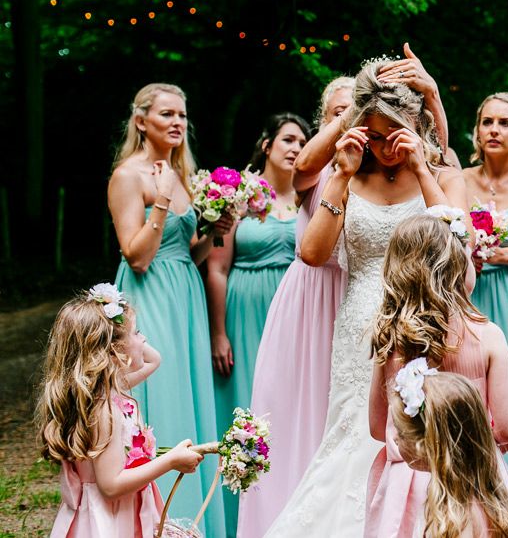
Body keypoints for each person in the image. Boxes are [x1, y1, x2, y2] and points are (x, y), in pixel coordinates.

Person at [265, 56, 467, 537]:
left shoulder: (445, 174)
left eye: (393, 134)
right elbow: (312, 253)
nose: (384, 147)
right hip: (359, 324)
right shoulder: (350, 175)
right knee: (353, 435)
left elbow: (457, 249)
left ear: (414, 125)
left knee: (424, 438)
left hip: (427, 319)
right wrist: (341, 172)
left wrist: (422, 169)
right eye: (374, 136)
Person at [109, 83, 231, 536]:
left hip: (185, 293)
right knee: (162, 392)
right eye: (166, 114)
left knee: (189, 389)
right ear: (141, 121)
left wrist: (214, 232)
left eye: (182, 114)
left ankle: (193, 521)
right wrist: (160, 200)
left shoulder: (182, 174)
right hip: (150, 294)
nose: (177, 122)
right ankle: (156, 521)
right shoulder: (128, 176)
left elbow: (186, 252)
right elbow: (136, 255)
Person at [366, 213, 508, 538]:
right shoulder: (487, 336)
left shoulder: (389, 338)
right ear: (459, 269)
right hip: (473, 477)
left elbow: (377, 428)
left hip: (409, 486)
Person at [236, 78, 354, 538]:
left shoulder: (374, 163)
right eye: (337, 111)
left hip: (355, 295)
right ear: (324, 120)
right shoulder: (313, 170)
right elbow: (304, 167)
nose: (350, 117)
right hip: (308, 300)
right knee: (291, 412)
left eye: (357, 108)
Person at [207, 112, 310, 537]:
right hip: (246, 309)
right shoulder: (241, 194)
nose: (295, 148)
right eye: (287, 139)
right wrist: (218, 332)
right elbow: (217, 268)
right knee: (249, 407)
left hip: (298, 314)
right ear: (266, 145)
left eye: (302, 142)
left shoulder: (309, 196)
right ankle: (240, 517)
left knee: (290, 408)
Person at [39, 285, 204, 538]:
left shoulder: (108, 390)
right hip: (108, 522)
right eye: (137, 333)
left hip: (121, 514)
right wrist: (170, 461)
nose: (144, 339)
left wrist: (116, 315)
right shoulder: (104, 409)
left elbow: (154, 360)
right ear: (114, 351)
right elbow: (111, 485)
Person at [391, 366, 508, 538]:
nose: (394, 439)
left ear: (428, 443)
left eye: (401, 433)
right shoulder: (464, 502)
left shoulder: (456, 519)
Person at [462, 92, 508, 341]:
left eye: (504, 123)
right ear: (478, 132)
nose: (494, 130)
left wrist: (505, 255)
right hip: (470, 290)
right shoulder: (462, 180)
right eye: (487, 122)